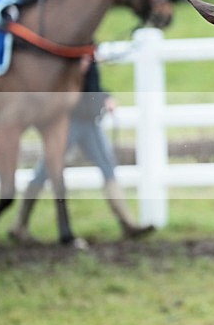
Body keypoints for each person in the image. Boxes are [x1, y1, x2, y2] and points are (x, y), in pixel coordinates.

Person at [15, 56, 154, 240]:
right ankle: (19, 224)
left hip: (90, 123)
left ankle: (127, 223)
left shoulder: (88, 57)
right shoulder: (68, 55)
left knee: (108, 168)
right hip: (68, 122)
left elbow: (93, 88)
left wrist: (105, 97)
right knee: (46, 169)